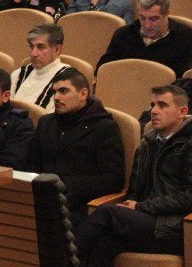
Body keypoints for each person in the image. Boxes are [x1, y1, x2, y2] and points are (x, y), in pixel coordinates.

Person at [75, 85, 192, 267]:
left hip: (177, 227)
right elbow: (133, 190)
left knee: (108, 214)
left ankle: (62, 263)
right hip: (146, 223)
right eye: (152, 105)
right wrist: (134, 206)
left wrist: (141, 207)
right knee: (104, 243)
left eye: (162, 105)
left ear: (182, 111)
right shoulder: (148, 141)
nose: (154, 111)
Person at [25, 68, 126, 227]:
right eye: (54, 92)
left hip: (80, 204)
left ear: (83, 94)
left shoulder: (104, 127)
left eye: (64, 91)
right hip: (42, 199)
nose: (57, 97)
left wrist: (65, 184)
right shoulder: (46, 122)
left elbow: (113, 179)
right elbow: (32, 166)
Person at [97, 0, 192, 77]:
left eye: (154, 19)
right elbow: (103, 69)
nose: (147, 25)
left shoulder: (184, 36)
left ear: (166, 14)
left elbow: (186, 78)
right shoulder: (124, 34)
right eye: (142, 18)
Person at [9, 23, 70, 113]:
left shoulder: (67, 79)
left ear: (57, 49)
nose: (34, 54)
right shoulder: (19, 74)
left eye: (41, 47)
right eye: (31, 46)